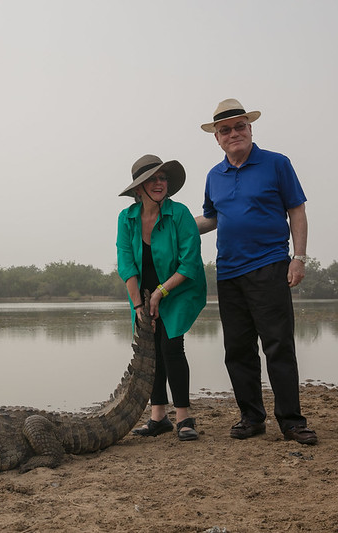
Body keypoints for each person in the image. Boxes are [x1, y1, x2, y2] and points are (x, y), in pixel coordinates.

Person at [195, 98, 318, 445]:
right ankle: (251, 418)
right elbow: (212, 218)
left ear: (250, 129)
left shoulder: (277, 163)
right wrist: (173, 227)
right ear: (217, 138)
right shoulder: (214, 176)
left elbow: (296, 210)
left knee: (278, 346)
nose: (233, 133)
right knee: (238, 350)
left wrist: (299, 257)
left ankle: (291, 422)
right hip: (228, 273)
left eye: (239, 126)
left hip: (270, 266)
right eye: (225, 130)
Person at [117, 154, 207, 441]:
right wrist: (139, 305)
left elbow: (190, 263)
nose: (159, 183)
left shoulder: (179, 214)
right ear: (138, 188)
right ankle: (158, 417)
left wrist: (161, 292)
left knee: (171, 347)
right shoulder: (126, 218)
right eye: (152, 179)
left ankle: (184, 417)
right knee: (150, 350)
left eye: (162, 178)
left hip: (178, 289)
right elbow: (126, 264)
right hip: (142, 293)